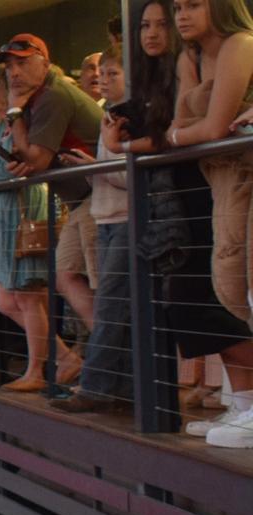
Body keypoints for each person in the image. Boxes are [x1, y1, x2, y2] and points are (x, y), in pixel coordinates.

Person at [0, 33, 103, 348]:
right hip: (86, 199)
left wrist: (14, 112)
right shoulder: (40, 98)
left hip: (103, 193)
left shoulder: (54, 95)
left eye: (22, 62)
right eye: (9, 66)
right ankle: (107, 359)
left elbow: (38, 159)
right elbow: (29, 157)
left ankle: (113, 365)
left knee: (99, 285)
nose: (14, 72)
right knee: (68, 276)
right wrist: (23, 160)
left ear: (45, 63)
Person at [0, 70, 79, 393]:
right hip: (7, 211)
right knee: (6, 299)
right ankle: (63, 356)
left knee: (27, 292)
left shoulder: (24, 120)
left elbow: (20, 166)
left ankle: (37, 368)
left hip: (27, 207)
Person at [51, 46, 135, 412]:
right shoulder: (107, 114)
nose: (102, 79)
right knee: (113, 304)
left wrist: (93, 166)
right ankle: (119, 386)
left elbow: (133, 177)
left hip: (123, 217)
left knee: (114, 304)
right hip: (107, 217)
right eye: (102, 73)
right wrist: (91, 165)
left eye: (111, 74)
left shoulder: (130, 115)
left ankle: (98, 387)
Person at [168, 0, 253, 325]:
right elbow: (181, 125)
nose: (182, 16)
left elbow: (214, 128)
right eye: (177, 8)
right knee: (230, 283)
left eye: (193, 5)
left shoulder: (240, 43)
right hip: (222, 180)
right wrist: (181, 136)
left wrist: (178, 138)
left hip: (245, 172)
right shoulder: (190, 57)